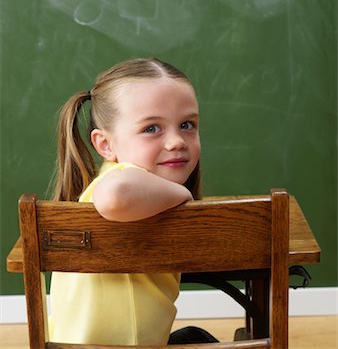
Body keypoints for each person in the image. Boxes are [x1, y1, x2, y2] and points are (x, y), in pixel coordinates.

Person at [49, 58, 218, 345]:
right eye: (152, 128)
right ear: (106, 145)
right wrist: (184, 195)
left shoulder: (145, 194)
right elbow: (114, 196)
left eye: (187, 124)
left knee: (195, 336)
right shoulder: (117, 180)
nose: (177, 141)